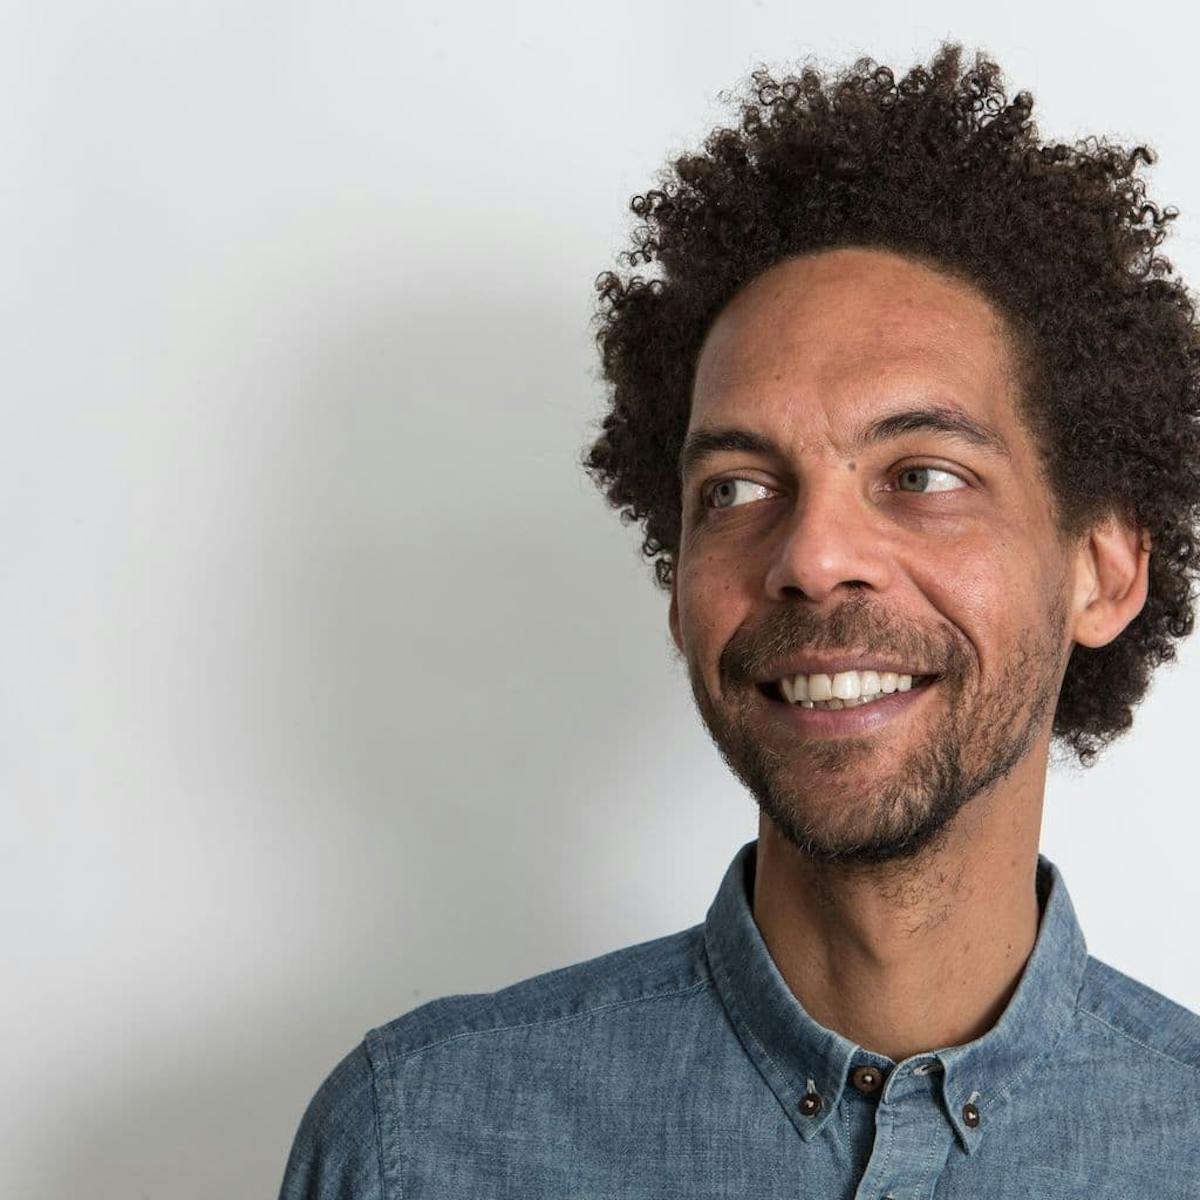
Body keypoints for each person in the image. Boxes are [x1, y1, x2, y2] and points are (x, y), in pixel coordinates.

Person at [278, 42, 1200, 1198]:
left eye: (923, 475)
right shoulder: (417, 1144)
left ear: (1103, 572)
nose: (813, 557)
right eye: (738, 489)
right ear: (679, 586)